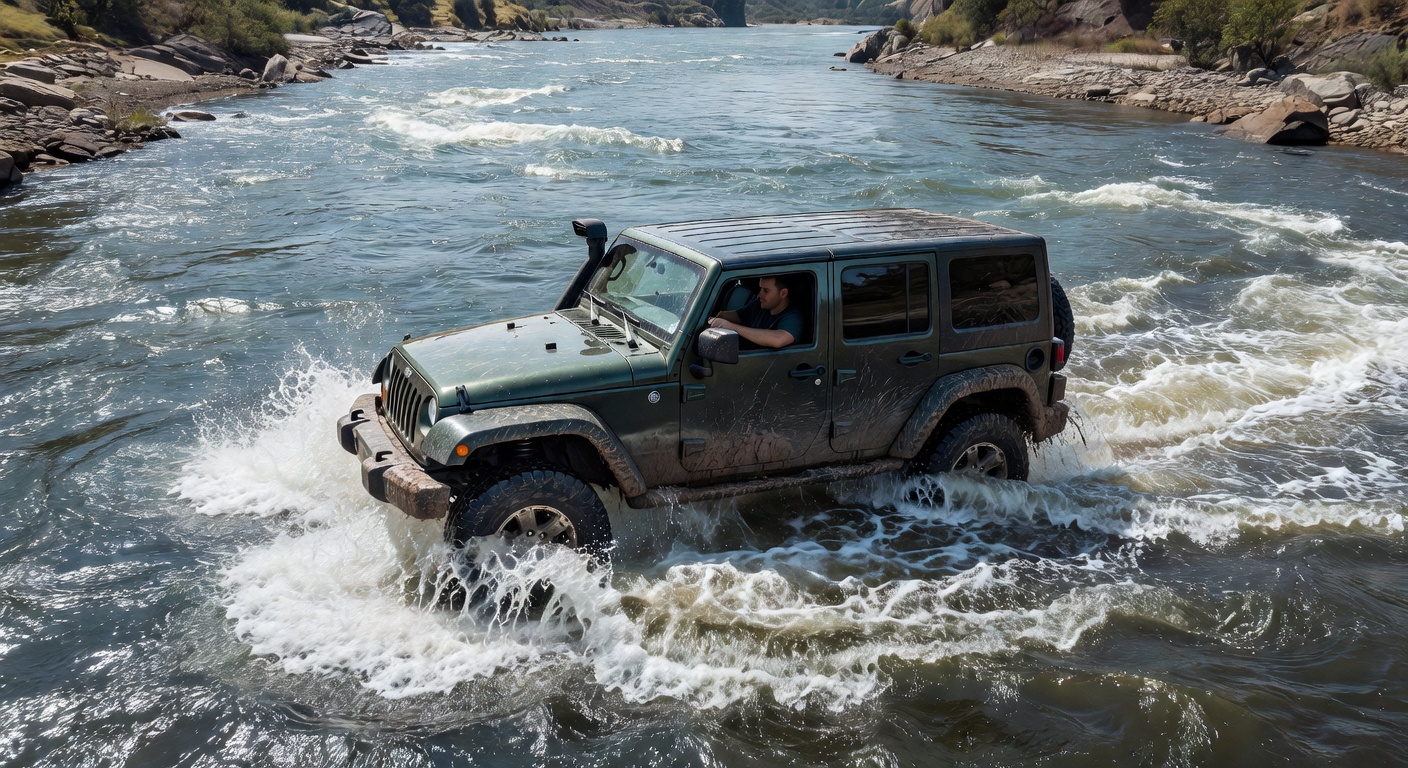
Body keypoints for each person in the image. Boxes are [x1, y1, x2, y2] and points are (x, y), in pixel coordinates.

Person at [708, 275, 804, 349]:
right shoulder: (759, 306)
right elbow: (730, 316)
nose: (759, 295)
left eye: (766, 291)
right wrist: (712, 320)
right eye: (760, 289)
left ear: (783, 293)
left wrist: (731, 327)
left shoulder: (793, 317)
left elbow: (778, 339)